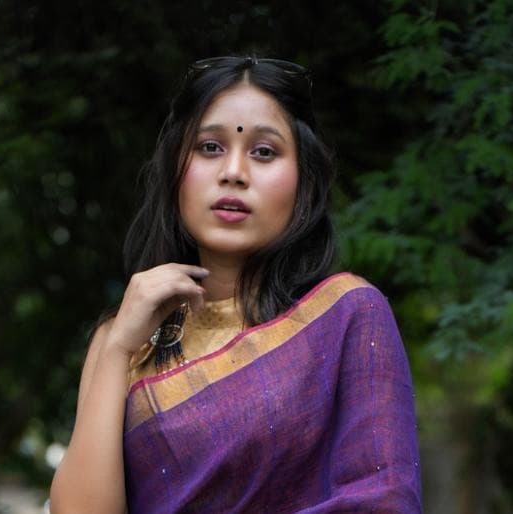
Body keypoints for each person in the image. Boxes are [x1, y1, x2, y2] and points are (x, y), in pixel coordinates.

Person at [50, 55, 421, 513]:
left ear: (303, 181)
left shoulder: (347, 315)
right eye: (210, 147)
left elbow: (381, 501)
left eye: (264, 152)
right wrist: (120, 349)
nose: (234, 172)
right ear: (174, 169)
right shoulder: (121, 340)